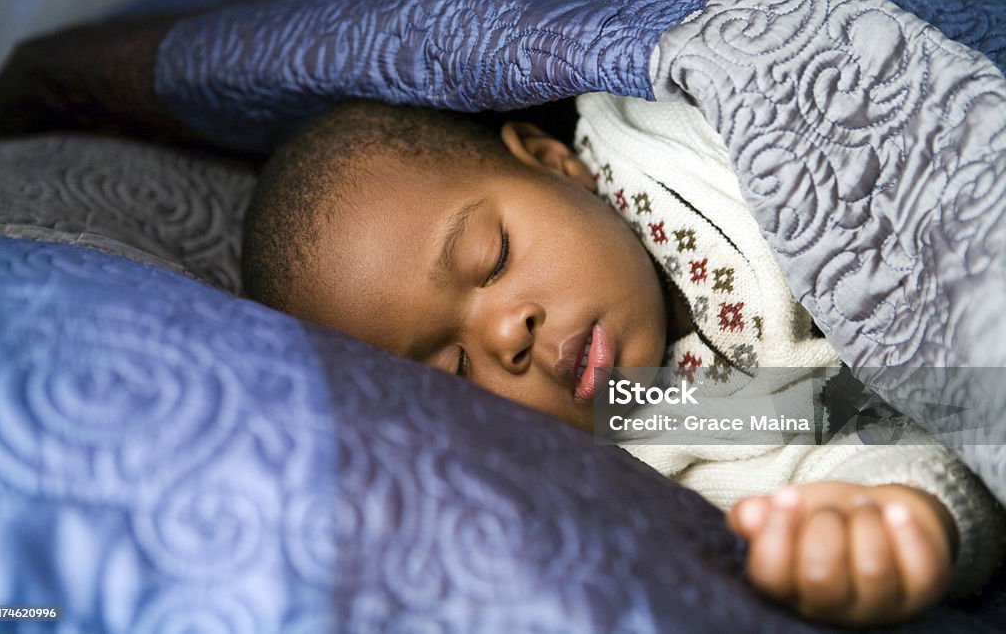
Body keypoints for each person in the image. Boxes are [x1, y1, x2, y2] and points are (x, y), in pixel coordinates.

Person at [241, 97, 1004, 627]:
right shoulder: (658, 441)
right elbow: (879, 451)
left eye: (493, 256)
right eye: (457, 371)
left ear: (549, 160)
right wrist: (907, 520)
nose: (508, 331)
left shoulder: (663, 141)